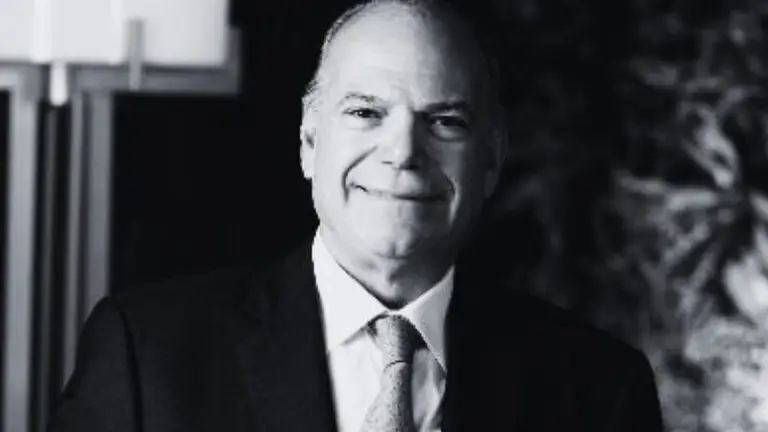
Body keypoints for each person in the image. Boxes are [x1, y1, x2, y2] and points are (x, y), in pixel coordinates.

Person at [50, 0, 664, 431]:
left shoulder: (601, 390)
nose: (402, 151)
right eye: (366, 113)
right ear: (308, 141)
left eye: (445, 121)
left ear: (492, 160)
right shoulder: (147, 357)